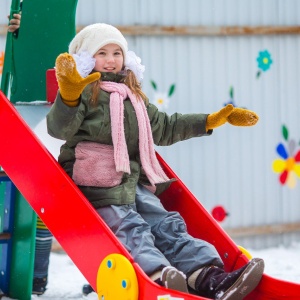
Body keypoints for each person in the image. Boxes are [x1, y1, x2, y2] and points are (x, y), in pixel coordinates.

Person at [46, 23, 264, 299]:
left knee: (165, 223)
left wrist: (209, 121)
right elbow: (59, 129)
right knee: (130, 227)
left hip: (133, 180)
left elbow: (164, 126)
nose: (111, 60)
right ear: (87, 59)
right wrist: (68, 96)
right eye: (102, 53)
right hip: (97, 183)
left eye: (117, 52)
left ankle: (207, 277)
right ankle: (158, 278)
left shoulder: (133, 97)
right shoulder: (83, 94)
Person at [7, 11, 52, 295]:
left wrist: (35, 30)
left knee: (41, 209)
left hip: (43, 124)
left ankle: (36, 276)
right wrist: (19, 38)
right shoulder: (11, 56)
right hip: (17, 123)